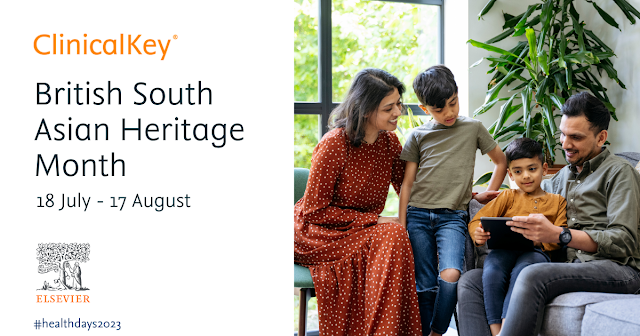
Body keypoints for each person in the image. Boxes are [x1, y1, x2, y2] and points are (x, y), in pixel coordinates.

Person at [457, 92, 640, 336]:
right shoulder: (562, 176)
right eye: (563, 134)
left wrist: (560, 235)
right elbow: (526, 199)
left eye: (575, 137)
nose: (565, 144)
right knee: (471, 281)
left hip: (615, 268)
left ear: (601, 138)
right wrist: (479, 198)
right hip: (565, 265)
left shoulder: (620, 173)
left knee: (533, 273)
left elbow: (624, 240)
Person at [294, 68, 422, 335]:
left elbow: (411, 188)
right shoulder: (333, 145)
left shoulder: (388, 143)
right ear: (365, 110)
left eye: (398, 103)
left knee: (397, 234)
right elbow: (314, 212)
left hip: (359, 231)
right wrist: (373, 219)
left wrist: (464, 195)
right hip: (318, 232)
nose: (398, 112)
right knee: (393, 234)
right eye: (389, 108)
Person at [398, 65, 508, 336]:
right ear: (425, 109)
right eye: (439, 109)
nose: (448, 113)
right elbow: (408, 183)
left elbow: (501, 161)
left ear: (458, 95)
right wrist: (402, 224)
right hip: (418, 215)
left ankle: (436, 332)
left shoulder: (473, 128)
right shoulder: (417, 136)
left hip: (453, 216)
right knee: (425, 283)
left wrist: (485, 198)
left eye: (453, 103)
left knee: (451, 275)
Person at [468, 138, 567, 336]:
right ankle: (497, 332)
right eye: (518, 171)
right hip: (503, 249)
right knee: (492, 271)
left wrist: (541, 239)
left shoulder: (557, 202)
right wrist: (477, 234)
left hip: (536, 252)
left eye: (532, 169)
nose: (526, 176)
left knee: (522, 273)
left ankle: (508, 328)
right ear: (510, 174)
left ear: (544, 168)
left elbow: (562, 235)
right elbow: (476, 221)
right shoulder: (507, 197)